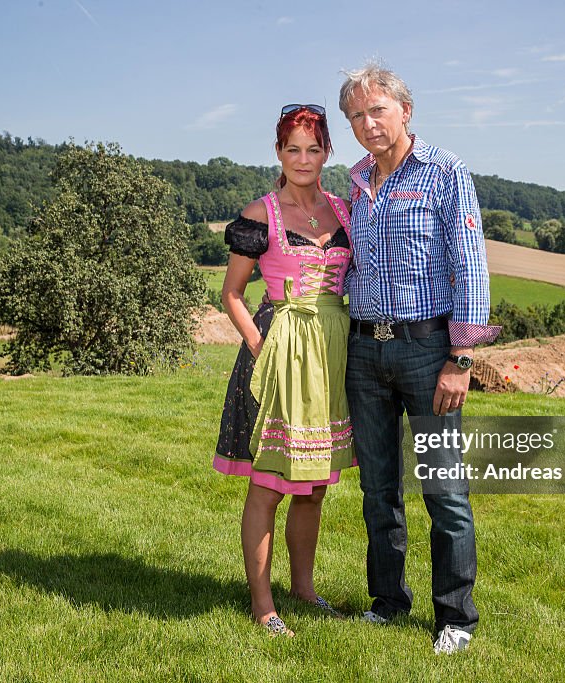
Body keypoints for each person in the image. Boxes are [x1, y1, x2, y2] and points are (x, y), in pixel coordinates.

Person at [338, 62, 501, 654]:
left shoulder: (444, 172)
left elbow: (471, 264)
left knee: (443, 491)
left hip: (428, 351)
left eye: (376, 109)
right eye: (355, 114)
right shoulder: (355, 181)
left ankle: (455, 617)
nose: (367, 123)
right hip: (365, 350)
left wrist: (461, 357)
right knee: (378, 488)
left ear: (405, 110)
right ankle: (387, 601)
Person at [213, 104, 355, 637]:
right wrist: (260, 347)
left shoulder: (343, 209)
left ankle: (304, 589)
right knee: (269, 483)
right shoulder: (261, 213)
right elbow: (231, 293)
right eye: (293, 148)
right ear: (278, 152)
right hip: (278, 353)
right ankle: (263, 606)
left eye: (313, 149)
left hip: (331, 355)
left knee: (314, 486)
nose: (303, 158)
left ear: (326, 154)